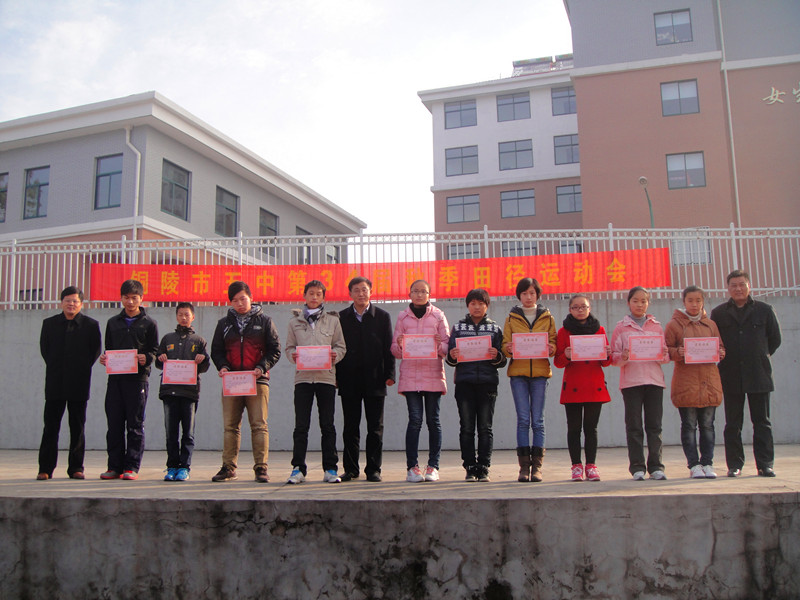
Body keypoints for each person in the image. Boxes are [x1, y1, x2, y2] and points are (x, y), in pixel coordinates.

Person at [711, 270, 781, 478]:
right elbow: (715, 342)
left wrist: (759, 355)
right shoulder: (719, 313)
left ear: (749, 286)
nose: (738, 289)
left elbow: (775, 339)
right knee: (733, 423)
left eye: (742, 284)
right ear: (728, 288)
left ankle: (765, 464)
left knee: (762, 422)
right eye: (734, 285)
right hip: (730, 373)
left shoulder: (764, 310)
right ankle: (734, 465)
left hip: (758, 373)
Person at [210, 281, 281, 483]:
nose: (240, 303)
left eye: (243, 299)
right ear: (230, 302)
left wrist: (262, 366)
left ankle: (261, 467)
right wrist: (223, 366)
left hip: (257, 380)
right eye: (235, 300)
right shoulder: (224, 324)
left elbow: (274, 349)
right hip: (232, 381)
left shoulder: (265, 321)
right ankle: (228, 467)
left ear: (251, 298)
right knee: (230, 426)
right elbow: (216, 351)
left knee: (259, 425)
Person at [37, 286, 101, 480]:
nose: (71, 304)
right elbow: (45, 350)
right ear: (61, 302)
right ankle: (45, 468)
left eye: (75, 301)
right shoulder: (49, 324)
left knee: (77, 426)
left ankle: (76, 468)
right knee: (50, 426)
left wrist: (80, 368)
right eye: (68, 300)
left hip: (79, 382)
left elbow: (94, 351)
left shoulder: (91, 325)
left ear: (81, 304)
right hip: (55, 381)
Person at [286, 280, 347, 484]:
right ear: (304, 295)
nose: (314, 297)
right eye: (311, 293)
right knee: (301, 426)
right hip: (303, 379)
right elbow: (289, 347)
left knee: (327, 425)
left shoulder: (333, 321)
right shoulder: (294, 322)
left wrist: (335, 355)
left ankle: (330, 468)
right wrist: (293, 355)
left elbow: (341, 346)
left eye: (318, 294)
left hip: (326, 378)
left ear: (323, 297)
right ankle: (298, 469)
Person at [336, 276, 396, 482]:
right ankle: (351, 469)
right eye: (356, 290)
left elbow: (389, 347)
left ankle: (373, 469)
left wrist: (390, 374)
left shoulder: (382, 316)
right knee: (350, 427)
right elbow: (336, 347)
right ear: (350, 294)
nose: (361, 293)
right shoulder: (341, 317)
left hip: (375, 379)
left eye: (364, 289)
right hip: (348, 379)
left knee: (375, 428)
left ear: (371, 292)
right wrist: (336, 377)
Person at [98, 279, 159, 480]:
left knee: (135, 424)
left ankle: (131, 467)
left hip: (138, 380)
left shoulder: (149, 323)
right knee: (114, 423)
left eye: (134, 297)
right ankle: (114, 466)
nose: (130, 302)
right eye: (126, 297)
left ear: (141, 299)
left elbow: (155, 350)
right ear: (121, 298)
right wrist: (105, 359)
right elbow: (108, 348)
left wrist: (146, 358)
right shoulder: (112, 322)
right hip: (115, 380)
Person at [391, 279, 450, 483]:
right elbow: (394, 350)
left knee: (433, 421)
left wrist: (439, 345)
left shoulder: (438, 315)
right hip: (410, 376)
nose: (419, 294)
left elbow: (448, 346)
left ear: (429, 295)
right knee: (415, 420)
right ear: (409, 294)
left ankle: (433, 466)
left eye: (423, 291)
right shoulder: (403, 317)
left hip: (433, 374)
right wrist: (400, 344)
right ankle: (412, 468)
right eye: (415, 291)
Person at [446, 288, 507, 482]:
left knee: (485, 427)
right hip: (464, 383)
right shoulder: (458, 328)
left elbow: (503, 360)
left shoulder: (495, 329)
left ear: (487, 306)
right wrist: (452, 355)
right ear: (468, 306)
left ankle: (484, 466)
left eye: (481, 303)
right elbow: (450, 357)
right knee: (466, 427)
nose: (477, 307)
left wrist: (497, 356)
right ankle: (470, 467)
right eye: (473, 303)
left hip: (488, 383)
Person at [665, 286, 725, 479]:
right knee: (689, 425)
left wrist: (721, 352)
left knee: (708, 426)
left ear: (703, 302)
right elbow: (666, 349)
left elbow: (720, 346)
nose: (694, 304)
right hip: (686, 383)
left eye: (698, 300)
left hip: (709, 382)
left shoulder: (711, 325)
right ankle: (693, 465)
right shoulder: (674, 325)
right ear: (684, 302)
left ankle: (707, 463)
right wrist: (678, 352)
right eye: (690, 300)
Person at [611, 286, 670, 481]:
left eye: (643, 301)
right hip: (631, 383)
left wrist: (663, 354)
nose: (639, 304)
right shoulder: (621, 328)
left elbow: (665, 357)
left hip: (654, 381)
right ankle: (637, 467)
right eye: (635, 301)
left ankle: (656, 466)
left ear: (648, 303)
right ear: (628, 303)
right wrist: (624, 356)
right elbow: (613, 358)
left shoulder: (656, 326)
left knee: (655, 426)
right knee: (634, 426)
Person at [501, 277, 556, 482]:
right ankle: (524, 467)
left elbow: (553, 341)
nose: (528, 297)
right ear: (519, 295)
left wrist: (551, 348)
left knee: (538, 421)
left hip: (540, 373)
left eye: (532, 293)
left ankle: (537, 467)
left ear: (538, 295)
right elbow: (505, 344)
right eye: (524, 293)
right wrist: (507, 348)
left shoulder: (547, 317)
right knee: (523, 420)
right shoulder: (511, 318)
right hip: (518, 374)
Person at [554, 295, 611, 482]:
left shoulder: (599, 329)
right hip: (573, 385)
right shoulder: (563, 332)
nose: (580, 310)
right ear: (570, 309)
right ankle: (576, 466)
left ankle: (591, 466)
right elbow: (558, 362)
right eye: (576, 307)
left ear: (589, 308)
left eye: (583, 306)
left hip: (594, 385)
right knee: (574, 428)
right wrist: (566, 355)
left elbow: (606, 362)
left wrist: (607, 354)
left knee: (591, 428)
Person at [155, 302, 210, 482]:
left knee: (188, 433)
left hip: (189, 393)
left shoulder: (199, 341)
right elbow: (157, 363)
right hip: (169, 392)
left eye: (187, 314)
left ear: (193, 317)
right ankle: (172, 466)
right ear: (176, 316)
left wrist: (202, 359)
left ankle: (184, 467)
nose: (184, 318)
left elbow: (205, 367)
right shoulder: (167, 339)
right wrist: (161, 358)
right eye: (180, 314)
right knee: (171, 432)